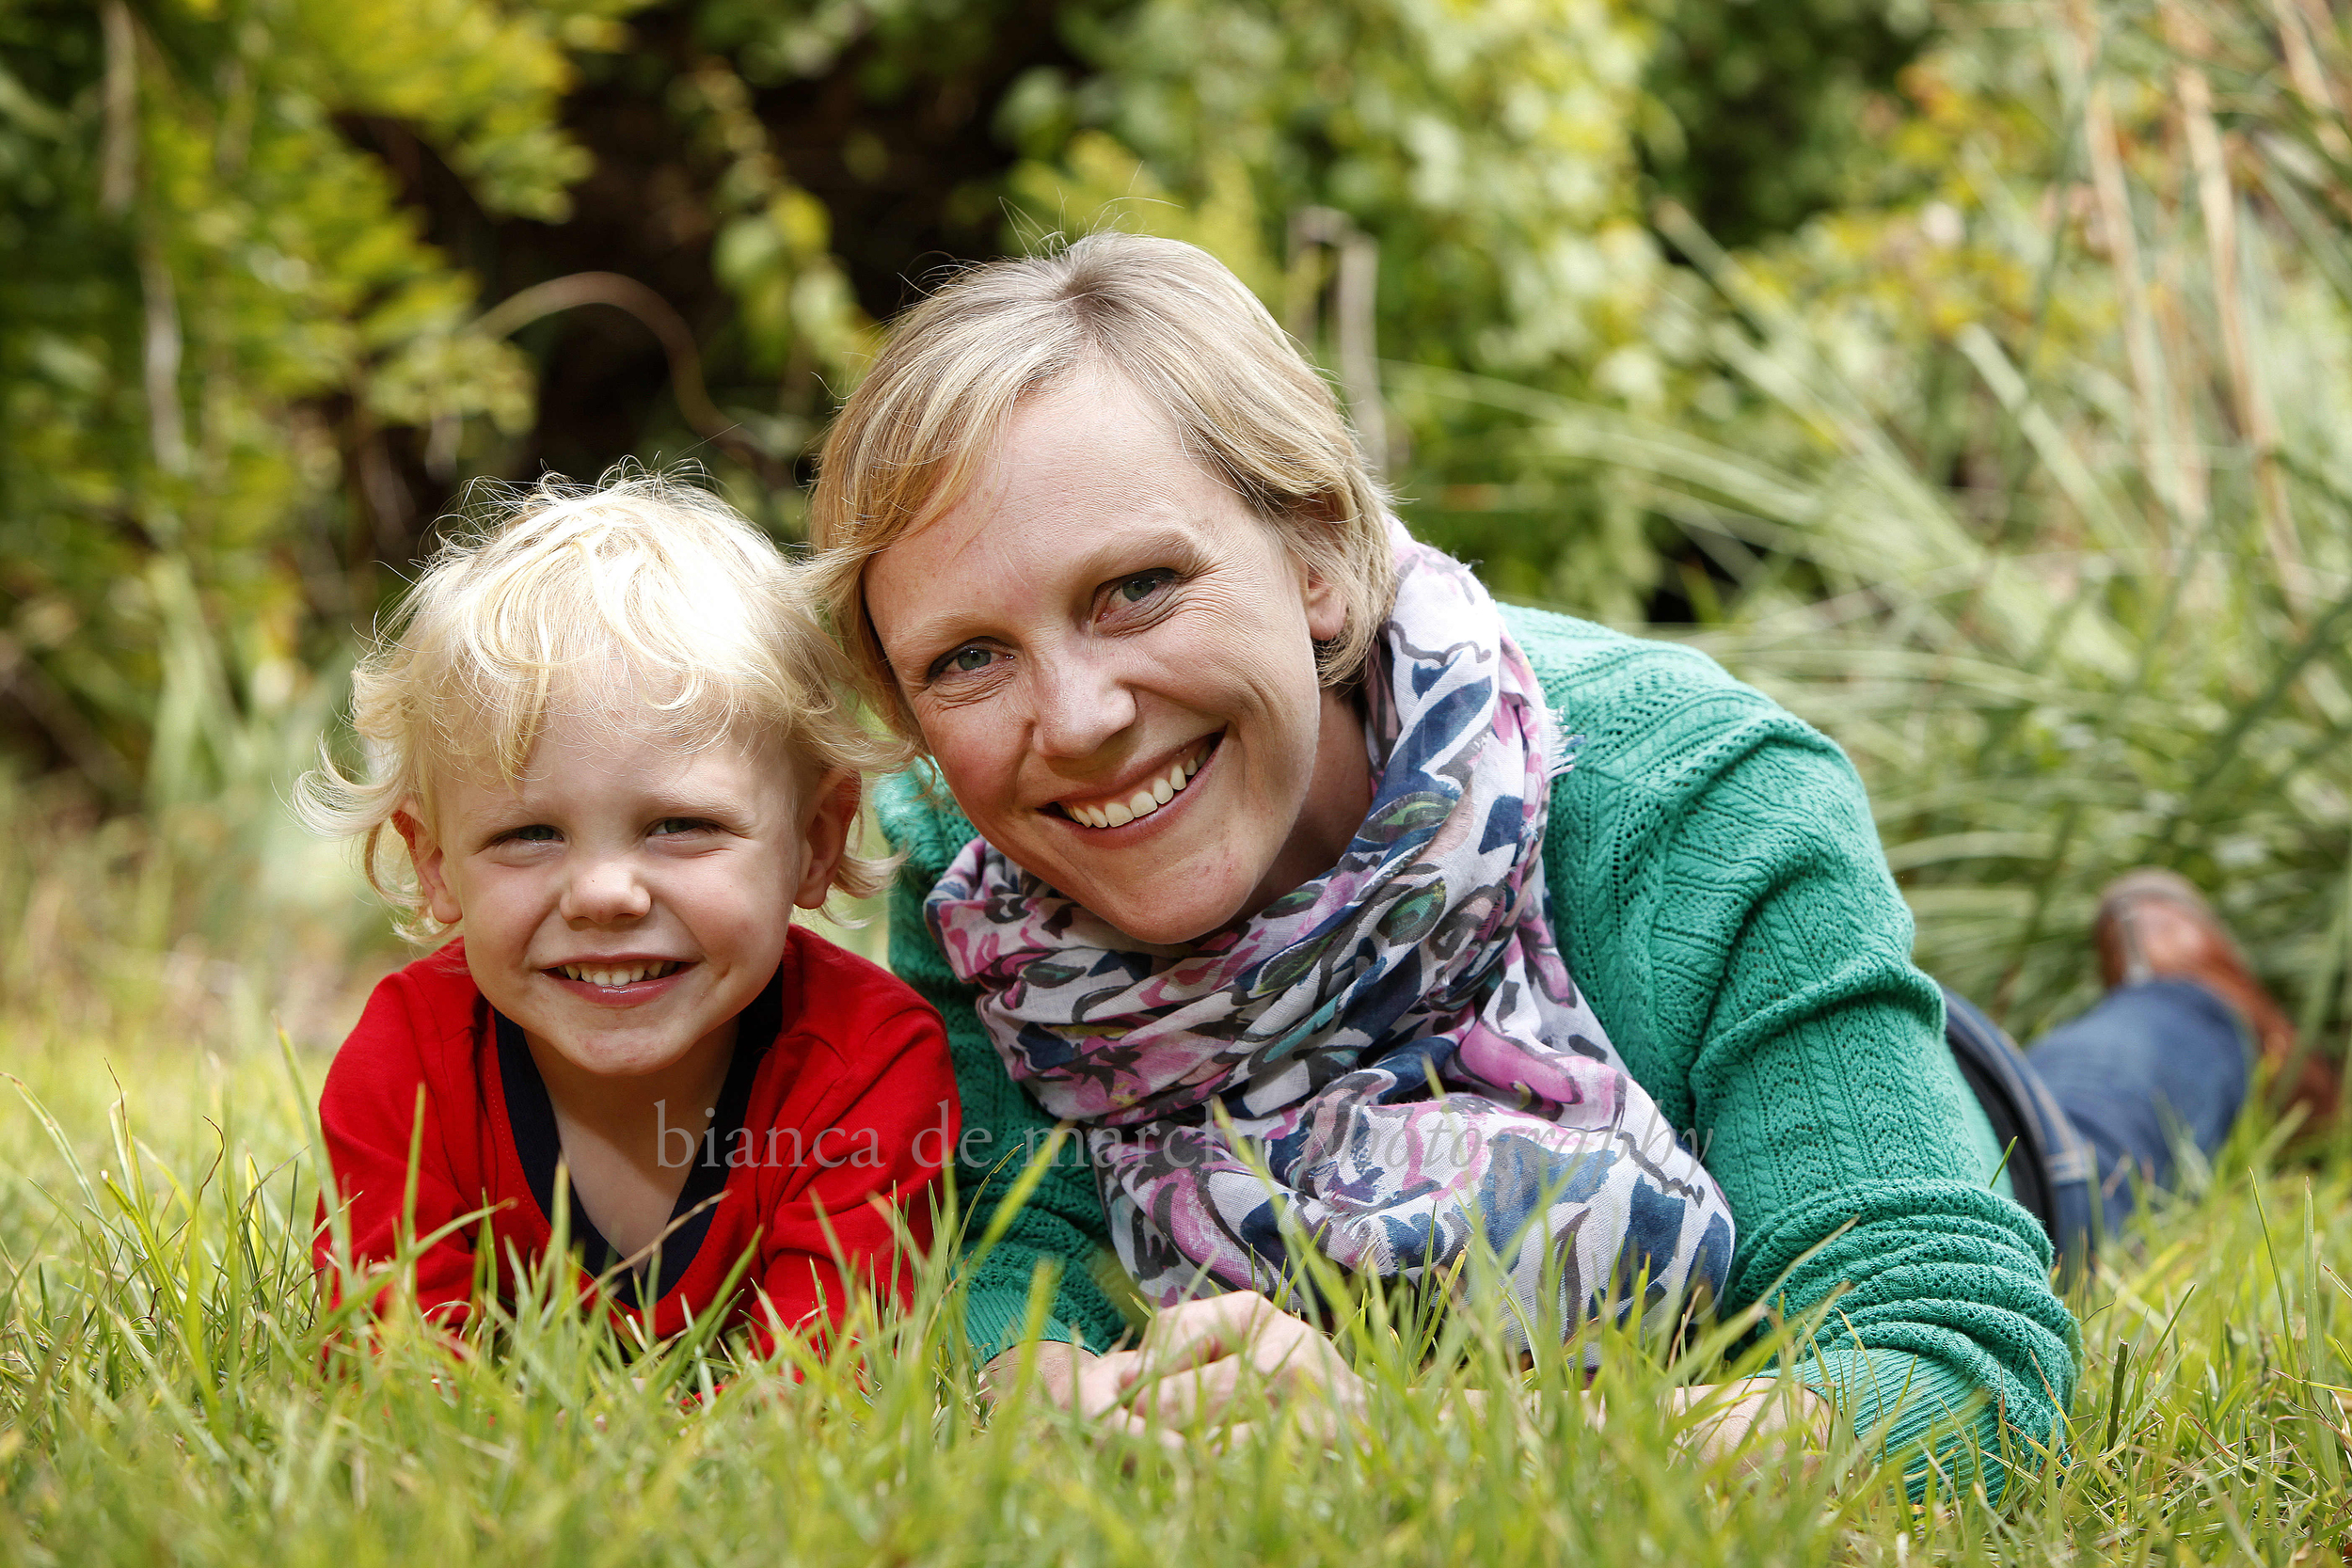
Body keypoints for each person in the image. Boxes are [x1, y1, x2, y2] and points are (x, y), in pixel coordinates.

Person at [806, 233, 2326, 1496]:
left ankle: (2204, 1018)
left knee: (2091, 1134)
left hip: (1845, 1118)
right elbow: (1024, 1237)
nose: (1072, 719)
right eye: (968, 658)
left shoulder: (1701, 793)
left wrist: (1442, 1443)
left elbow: (1962, 1363)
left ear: (1320, 556)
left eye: (1139, 587)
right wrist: (1042, 1381)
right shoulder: (976, 870)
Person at [300, 472, 958, 1356]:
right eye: (528, 833)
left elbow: (820, 1386)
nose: (604, 893)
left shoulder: (868, 1067)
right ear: (435, 864)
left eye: (681, 825)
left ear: (815, 840)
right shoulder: (409, 1065)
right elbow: (400, 1377)